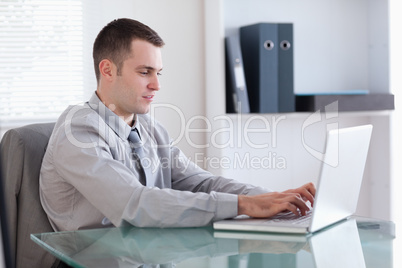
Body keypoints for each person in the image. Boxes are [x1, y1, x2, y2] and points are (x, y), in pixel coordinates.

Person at [39, 18, 315, 232]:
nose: (157, 85)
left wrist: (272, 198)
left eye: (158, 73)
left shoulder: (149, 128)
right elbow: (134, 204)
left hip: (147, 252)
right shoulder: (78, 130)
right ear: (108, 70)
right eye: (144, 72)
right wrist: (245, 204)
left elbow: (199, 183)